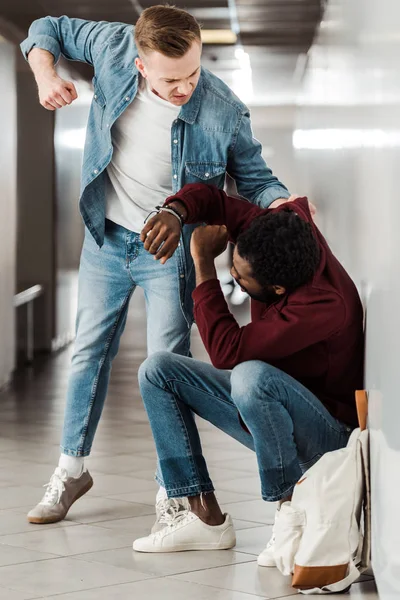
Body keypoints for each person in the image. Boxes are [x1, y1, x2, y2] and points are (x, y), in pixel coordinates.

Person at [20, 5, 292, 526]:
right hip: (105, 235)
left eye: (192, 72)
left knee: (165, 367)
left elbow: (255, 180)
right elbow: (44, 30)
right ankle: (70, 470)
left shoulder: (223, 109)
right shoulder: (113, 46)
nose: (185, 87)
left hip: (169, 248)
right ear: (141, 64)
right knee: (87, 353)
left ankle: (173, 489)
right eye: (171, 79)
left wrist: (282, 203)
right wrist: (45, 73)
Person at [132, 183, 364, 559]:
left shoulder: (322, 305)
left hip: (328, 440)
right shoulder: (272, 230)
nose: (234, 279)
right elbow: (213, 200)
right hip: (276, 412)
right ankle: (203, 517)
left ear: (277, 288)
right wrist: (175, 212)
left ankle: (289, 512)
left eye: (240, 280)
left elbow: (227, 351)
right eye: (232, 268)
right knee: (157, 370)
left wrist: (204, 263)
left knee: (249, 376)